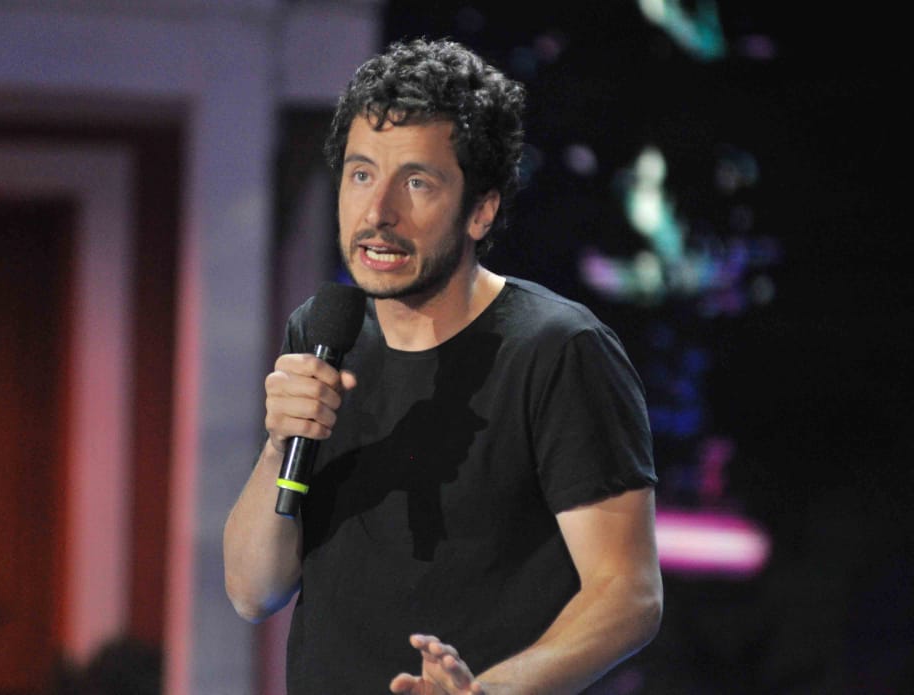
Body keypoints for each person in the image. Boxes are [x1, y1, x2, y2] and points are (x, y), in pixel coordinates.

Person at [223, 38, 662, 694]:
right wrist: (278, 447)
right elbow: (252, 591)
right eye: (361, 174)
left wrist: (486, 692)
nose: (378, 213)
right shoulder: (324, 334)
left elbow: (627, 594)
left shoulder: (557, 350)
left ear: (481, 209)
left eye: (417, 182)